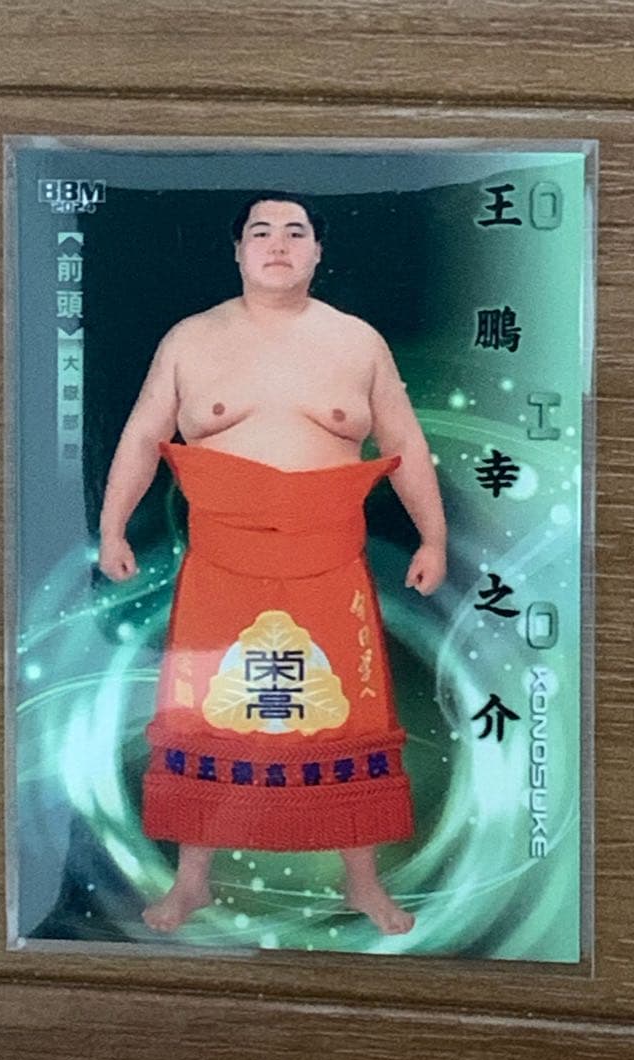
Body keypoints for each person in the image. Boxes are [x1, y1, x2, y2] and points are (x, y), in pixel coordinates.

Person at [99, 192, 447, 936]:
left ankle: (363, 883)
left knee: (347, 718)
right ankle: (192, 881)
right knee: (206, 716)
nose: (279, 244)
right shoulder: (191, 339)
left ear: (319, 250)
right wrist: (112, 527)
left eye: (296, 231)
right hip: (223, 562)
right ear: (238, 251)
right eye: (261, 231)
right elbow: (141, 435)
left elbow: (405, 443)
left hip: (329, 560)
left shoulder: (358, 341)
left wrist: (433, 538)